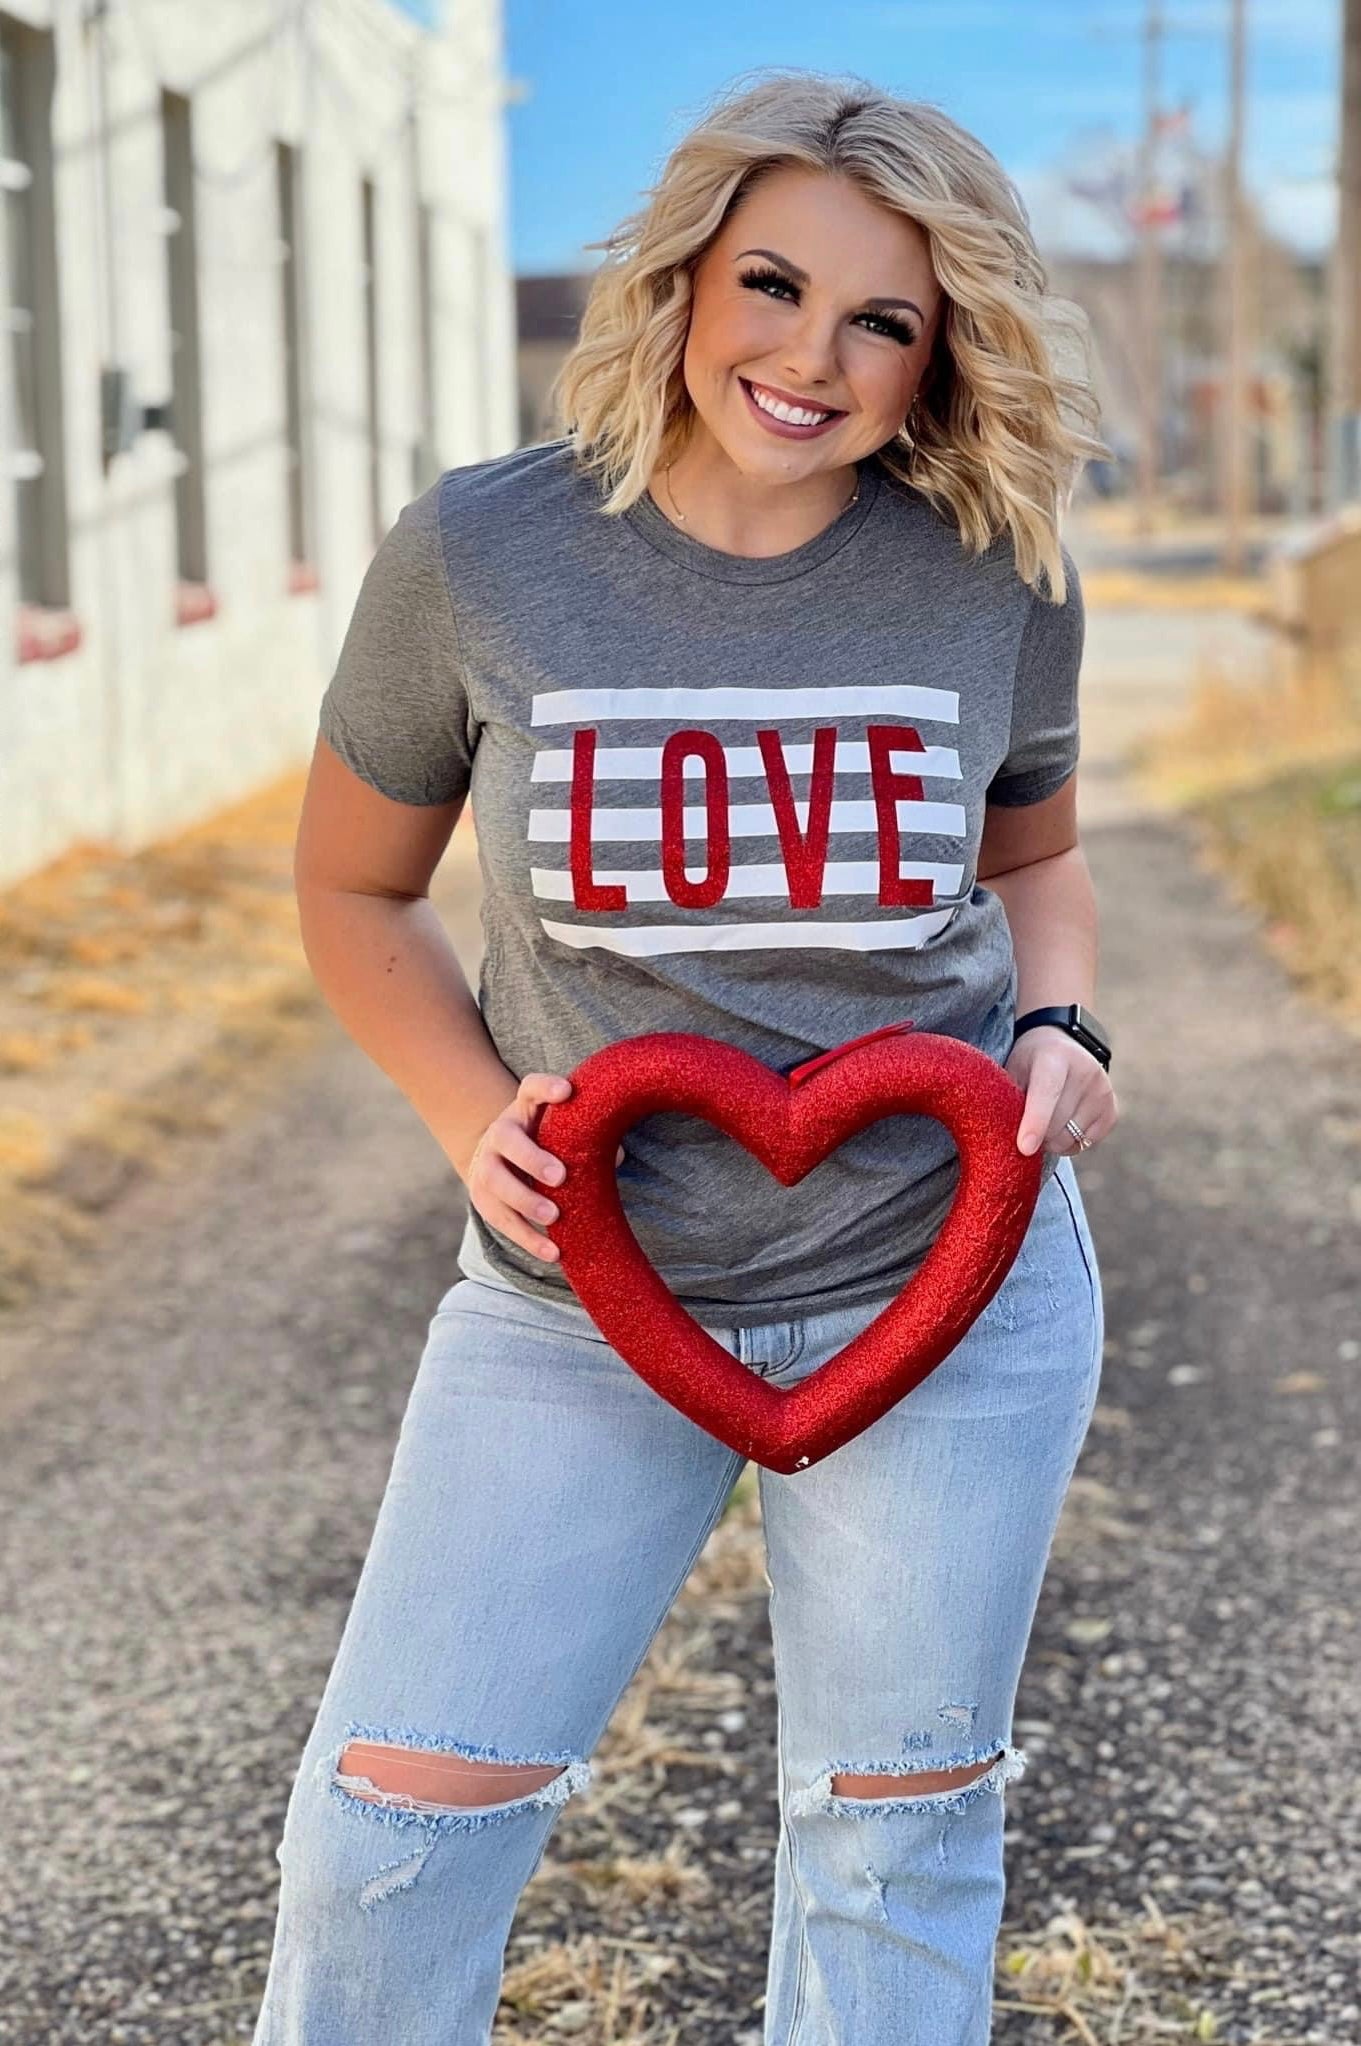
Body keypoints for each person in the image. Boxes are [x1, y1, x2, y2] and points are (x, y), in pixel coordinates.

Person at [251, 66, 1119, 2046]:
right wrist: (478, 1126)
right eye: (772, 287)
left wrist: (1060, 1025)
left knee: (896, 1850)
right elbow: (352, 896)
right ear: (680, 281)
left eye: (883, 320)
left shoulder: (996, 559)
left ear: (941, 351)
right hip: (579, 1298)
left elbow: (1041, 858)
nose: (810, 359)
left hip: (949, 1286)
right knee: (383, 1839)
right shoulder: (483, 553)